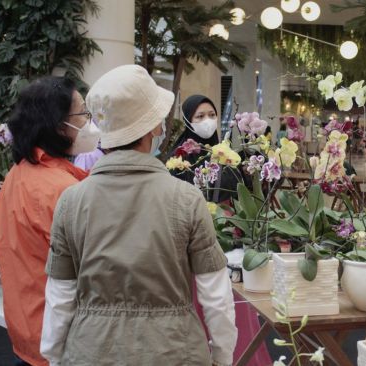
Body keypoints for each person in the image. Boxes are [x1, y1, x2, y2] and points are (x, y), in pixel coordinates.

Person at [40, 65, 236, 365]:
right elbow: (216, 296)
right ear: (155, 127)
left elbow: (60, 296)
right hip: (175, 351)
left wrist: (53, 356)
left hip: (90, 351)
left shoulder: (72, 200)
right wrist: (223, 356)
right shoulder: (186, 198)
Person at [0, 77, 96, 366]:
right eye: (83, 114)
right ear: (58, 125)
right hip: (58, 337)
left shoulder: (19, 173)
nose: (89, 123)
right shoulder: (60, 189)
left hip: (26, 324)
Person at [168, 95, 238, 203]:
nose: (207, 121)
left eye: (212, 115)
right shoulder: (179, 158)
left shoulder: (224, 153)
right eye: (200, 116)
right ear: (188, 120)